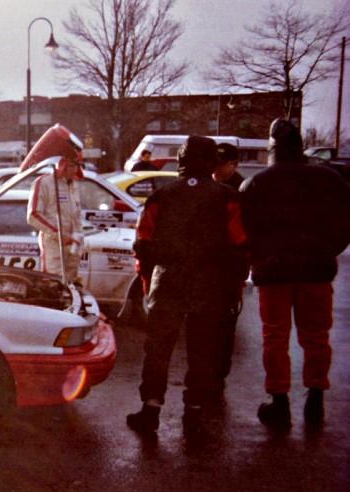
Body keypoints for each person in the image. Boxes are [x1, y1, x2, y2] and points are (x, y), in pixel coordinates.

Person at [126, 136, 246, 434]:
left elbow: (143, 243)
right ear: (210, 162)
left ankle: (151, 408)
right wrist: (235, 286)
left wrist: (146, 283)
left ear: (181, 161)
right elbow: (239, 245)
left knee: (158, 349)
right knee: (202, 350)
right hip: (210, 285)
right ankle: (194, 411)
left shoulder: (160, 196)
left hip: (167, 281)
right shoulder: (227, 197)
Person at [239, 119, 350, 429]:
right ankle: (315, 398)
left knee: (275, 337)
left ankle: (279, 400)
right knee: (316, 337)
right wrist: (327, 250)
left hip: (273, 273)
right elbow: (344, 225)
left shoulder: (255, 184)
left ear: (272, 148)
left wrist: (258, 258)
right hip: (316, 270)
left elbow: (245, 232)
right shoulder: (329, 180)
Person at [209, 143, 249, 402]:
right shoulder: (208, 186)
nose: (216, 167)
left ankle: (218, 374)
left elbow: (245, 237)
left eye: (221, 163)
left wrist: (240, 273)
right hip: (207, 266)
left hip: (229, 268)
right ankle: (209, 372)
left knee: (225, 324)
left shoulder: (242, 191)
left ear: (233, 164)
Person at [25, 123, 86, 282]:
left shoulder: (73, 185)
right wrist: (59, 234)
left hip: (73, 245)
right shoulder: (44, 183)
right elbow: (33, 215)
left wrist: (79, 236)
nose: (75, 170)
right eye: (73, 166)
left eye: (78, 166)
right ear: (63, 165)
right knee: (54, 282)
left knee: (71, 283)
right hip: (53, 244)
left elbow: (76, 214)